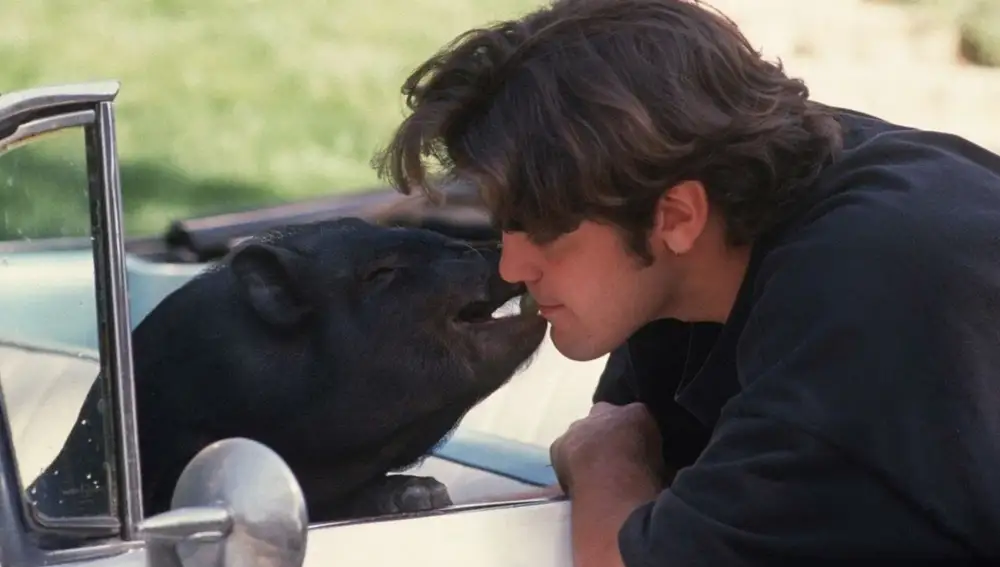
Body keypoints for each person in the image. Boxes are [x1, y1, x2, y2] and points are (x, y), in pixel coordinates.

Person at [371, 0, 1000, 564]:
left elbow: (620, 503)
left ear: (677, 215)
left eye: (544, 229)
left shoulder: (871, 292)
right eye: (504, 224)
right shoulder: (700, 237)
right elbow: (638, 448)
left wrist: (601, 461)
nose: (511, 268)